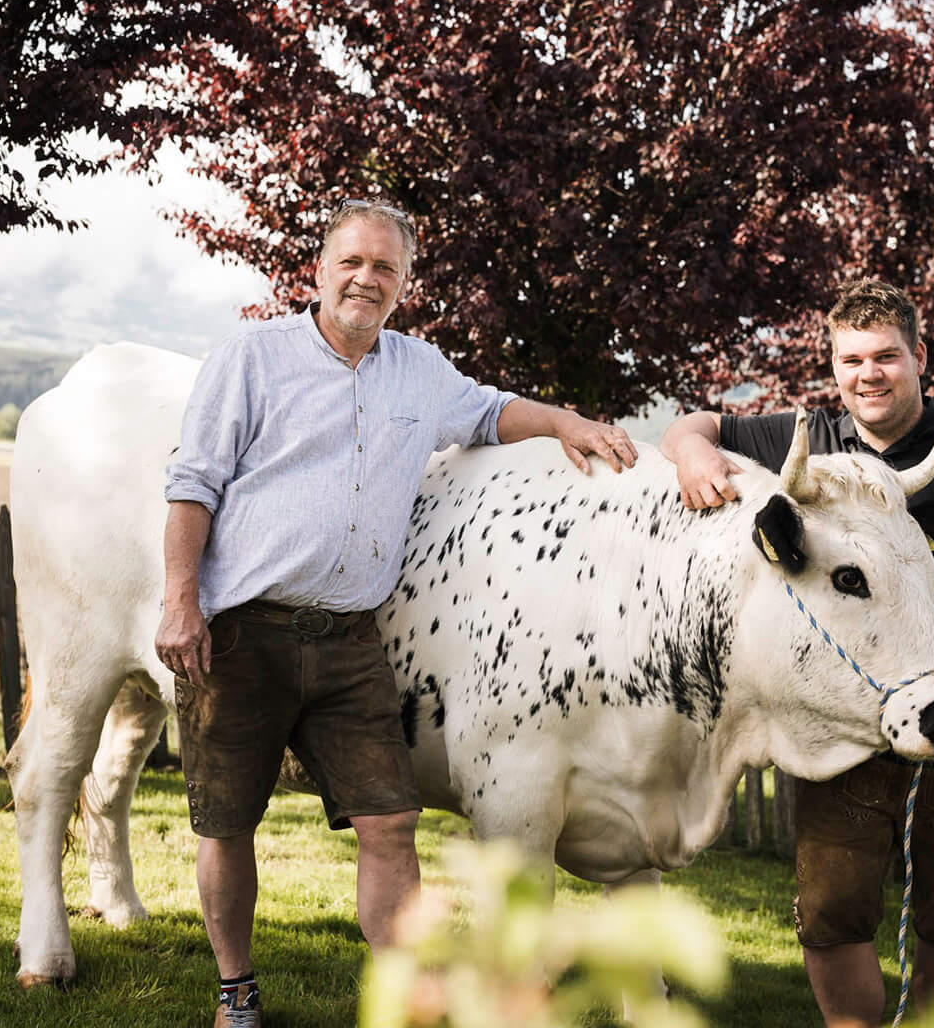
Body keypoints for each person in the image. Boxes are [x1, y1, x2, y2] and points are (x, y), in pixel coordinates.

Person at [154, 199, 638, 1028]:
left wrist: (565, 421)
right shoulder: (253, 358)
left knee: (391, 820)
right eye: (352, 262)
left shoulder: (419, 370)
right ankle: (236, 988)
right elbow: (193, 482)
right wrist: (180, 602)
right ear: (319, 267)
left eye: (385, 268)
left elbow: (489, 413)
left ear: (404, 285)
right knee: (228, 821)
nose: (366, 279)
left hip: (350, 640)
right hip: (244, 633)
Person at [659, 278, 934, 1028]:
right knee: (834, 917)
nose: (868, 374)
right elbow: (694, 424)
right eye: (851, 360)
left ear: (920, 358)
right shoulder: (802, 442)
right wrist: (690, 456)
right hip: (841, 734)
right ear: (833, 366)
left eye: (886, 357)